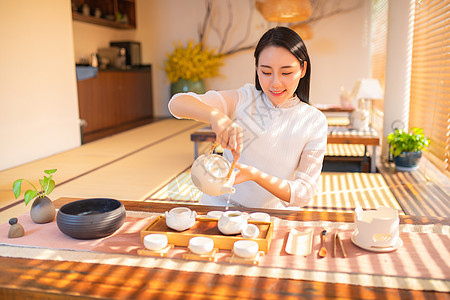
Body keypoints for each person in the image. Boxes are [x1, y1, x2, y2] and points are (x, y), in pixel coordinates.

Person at [168, 26, 327, 209]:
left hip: (268, 217)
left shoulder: (314, 121)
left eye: (286, 73)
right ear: (257, 69)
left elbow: (303, 194)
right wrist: (215, 116)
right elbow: (176, 104)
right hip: (218, 208)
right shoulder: (244, 98)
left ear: (302, 69)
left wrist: (256, 176)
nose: (275, 83)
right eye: (266, 72)